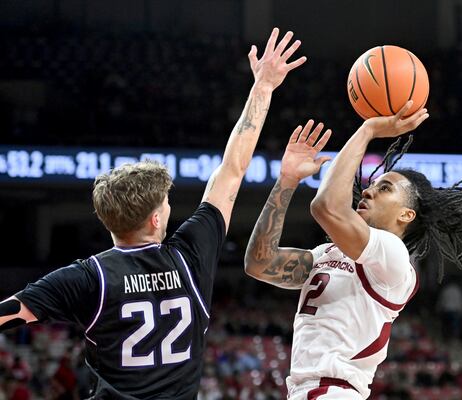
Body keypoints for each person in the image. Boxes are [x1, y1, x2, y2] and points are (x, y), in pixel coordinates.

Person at [0, 27, 306, 399]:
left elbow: (13, 311)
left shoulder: (88, 277)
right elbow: (232, 169)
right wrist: (264, 87)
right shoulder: (190, 255)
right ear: (155, 219)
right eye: (166, 203)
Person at [244, 101, 462, 399]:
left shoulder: (394, 256)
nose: (367, 190)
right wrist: (286, 181)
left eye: (384, 188)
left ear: (406, 215)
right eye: (372, 184)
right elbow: (259, 263)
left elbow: (326, 207)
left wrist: (368, 130)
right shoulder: (327, 253)